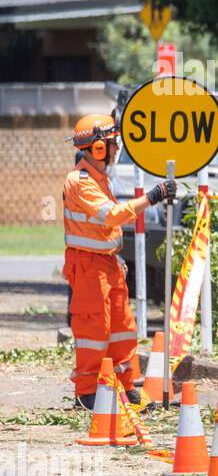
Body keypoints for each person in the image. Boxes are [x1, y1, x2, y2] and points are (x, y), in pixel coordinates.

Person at [64, 113, 175, 410]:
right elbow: (112, 216)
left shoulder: (101, 180)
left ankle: (124, 388)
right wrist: (153, 196)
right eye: (111, 144)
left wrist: (114, 257)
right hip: (88, 267)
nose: (115, 149)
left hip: (107, 264)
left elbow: (104, 228)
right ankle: (87, 392)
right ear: (97, 148)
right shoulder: (80, 182)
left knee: (123, 328)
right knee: (94, 332)